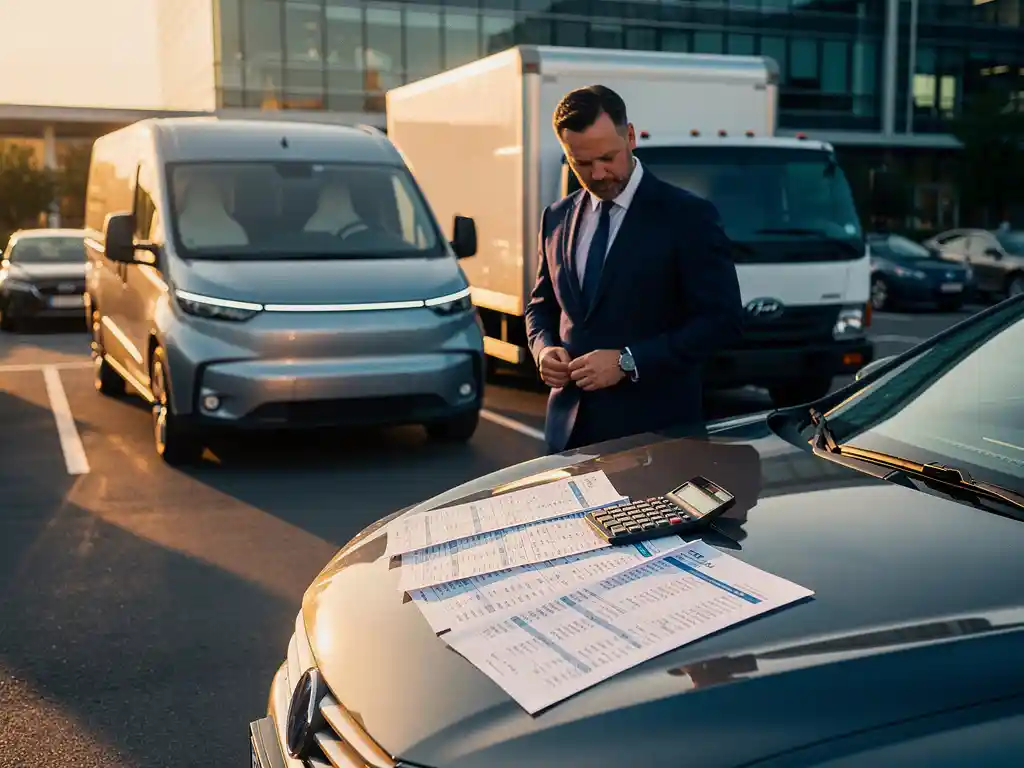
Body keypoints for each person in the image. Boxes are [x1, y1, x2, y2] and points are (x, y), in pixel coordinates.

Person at [524, 85, 743, 454]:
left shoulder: (688, 216)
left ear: (630, 136)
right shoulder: (556, 217)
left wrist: (629, 361)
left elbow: (722, 321)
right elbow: (541, 306)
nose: (598, 173)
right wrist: (543, 350)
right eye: (582, 163)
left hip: (658, 440)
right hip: (567, 439)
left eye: (608, 157)